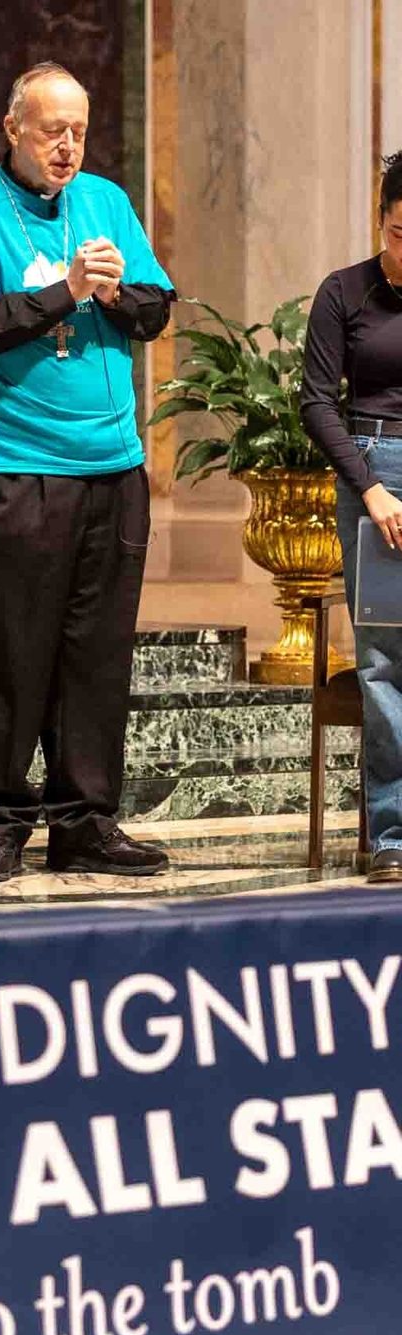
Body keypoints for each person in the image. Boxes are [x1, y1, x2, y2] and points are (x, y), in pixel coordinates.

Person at [0, 62, 176, 883]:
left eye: (79, 131)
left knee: (95, 653)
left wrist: (114, 295)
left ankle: (86, 820)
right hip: (7, 462)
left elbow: (156, 306)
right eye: (51, 130)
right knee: (8, 651)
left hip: (110, 463)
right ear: (13, 128)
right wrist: (65, 293)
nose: (68, 146)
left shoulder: (106, 202)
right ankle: (0, 820)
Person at [300, 153, 402, 886]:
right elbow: (314, 402)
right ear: (381, 221)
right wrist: (369, 488)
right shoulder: (345, 292)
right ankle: (392, 835)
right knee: (385, 663)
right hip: (375, 474)